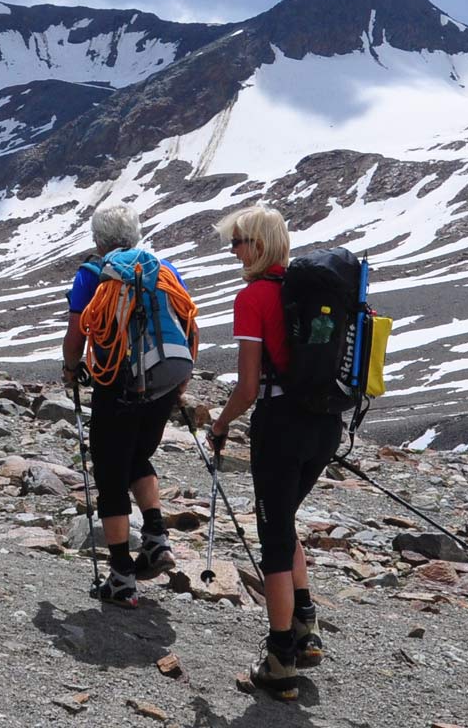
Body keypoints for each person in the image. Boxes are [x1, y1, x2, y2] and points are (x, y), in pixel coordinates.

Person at [207, 204, 339, 700]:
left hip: (280, 426)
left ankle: (280, 660)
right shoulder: (310, 292)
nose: (233, 251)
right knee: (284, 522)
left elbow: (246, 387)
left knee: (275, 539)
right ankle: (305, 627)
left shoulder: (255, 297)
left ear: (258, 246)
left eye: (237, 242)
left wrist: (220, 423)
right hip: (324, 426)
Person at [61, 203, 193, 607]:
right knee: (139, 456)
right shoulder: (164, 269)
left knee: (111, 475)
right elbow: (187, 322)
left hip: (115, 382)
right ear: (135, 234)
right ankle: (156, 540)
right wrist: (180, 382)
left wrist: (70, 370)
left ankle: (120, 578)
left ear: (98, 239)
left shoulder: (92, 275)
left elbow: (76, 332)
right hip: (163, 380)